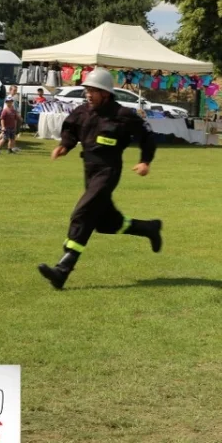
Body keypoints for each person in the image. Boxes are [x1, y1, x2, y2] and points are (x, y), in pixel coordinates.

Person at [37, 68, 162, 290]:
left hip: (108, 171)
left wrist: (145, 161)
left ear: (105, 93)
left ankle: (62, 270)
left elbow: (147, 135)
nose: (88, 94)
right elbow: (71, 129)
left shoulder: (122, 115)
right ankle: (149, 228)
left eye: (93, 91)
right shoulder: (83, 111)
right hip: (89, 170)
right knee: (106, 223)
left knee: (82, 213)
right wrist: (64, 145)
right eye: (87, 90)